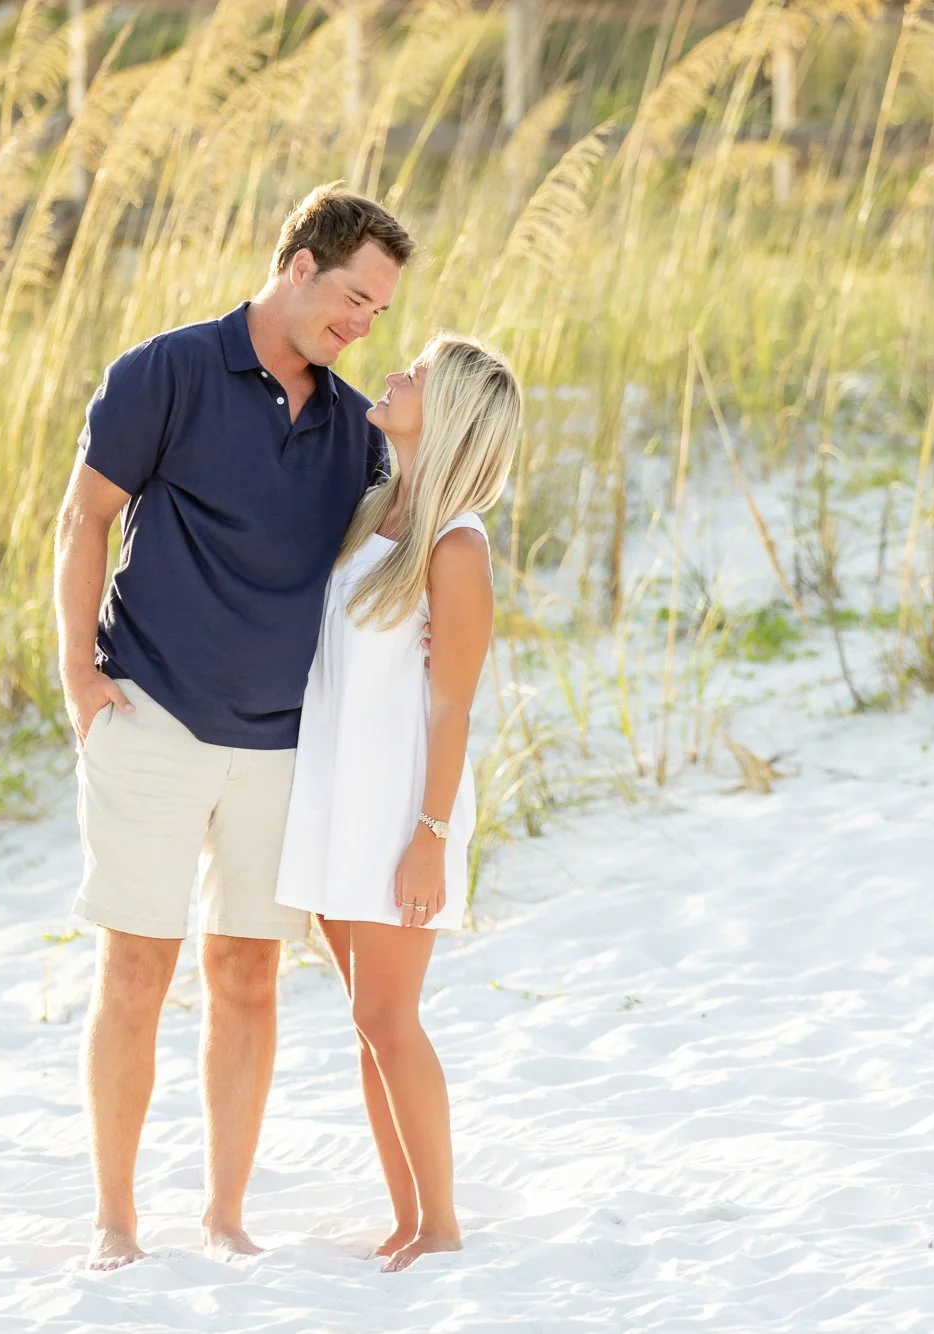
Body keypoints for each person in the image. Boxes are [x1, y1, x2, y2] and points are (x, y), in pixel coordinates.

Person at [52, 185, 414, 1271]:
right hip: (151, 711)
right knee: (135, 970)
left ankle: (223, 1213)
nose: (360, 325)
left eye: (377, 314)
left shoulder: (354, 427)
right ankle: (116, 1217)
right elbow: (84, 516)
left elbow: (400, 554)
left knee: (248, 974)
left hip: (281, 743)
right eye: (352, 297)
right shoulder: (164, 370)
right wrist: (76, 671)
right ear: (298, 263)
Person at [274, 332, 523, 1272]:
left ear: (450, 411)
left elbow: (452, 706)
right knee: (365, 1018)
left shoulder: (457, 548)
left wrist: (428, 837)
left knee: (389, 1015)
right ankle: (408, 1214)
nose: (396, 374)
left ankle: (441, 1223)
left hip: (399, 811)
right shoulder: (377, 511)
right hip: (339, 796)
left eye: (418, 374)